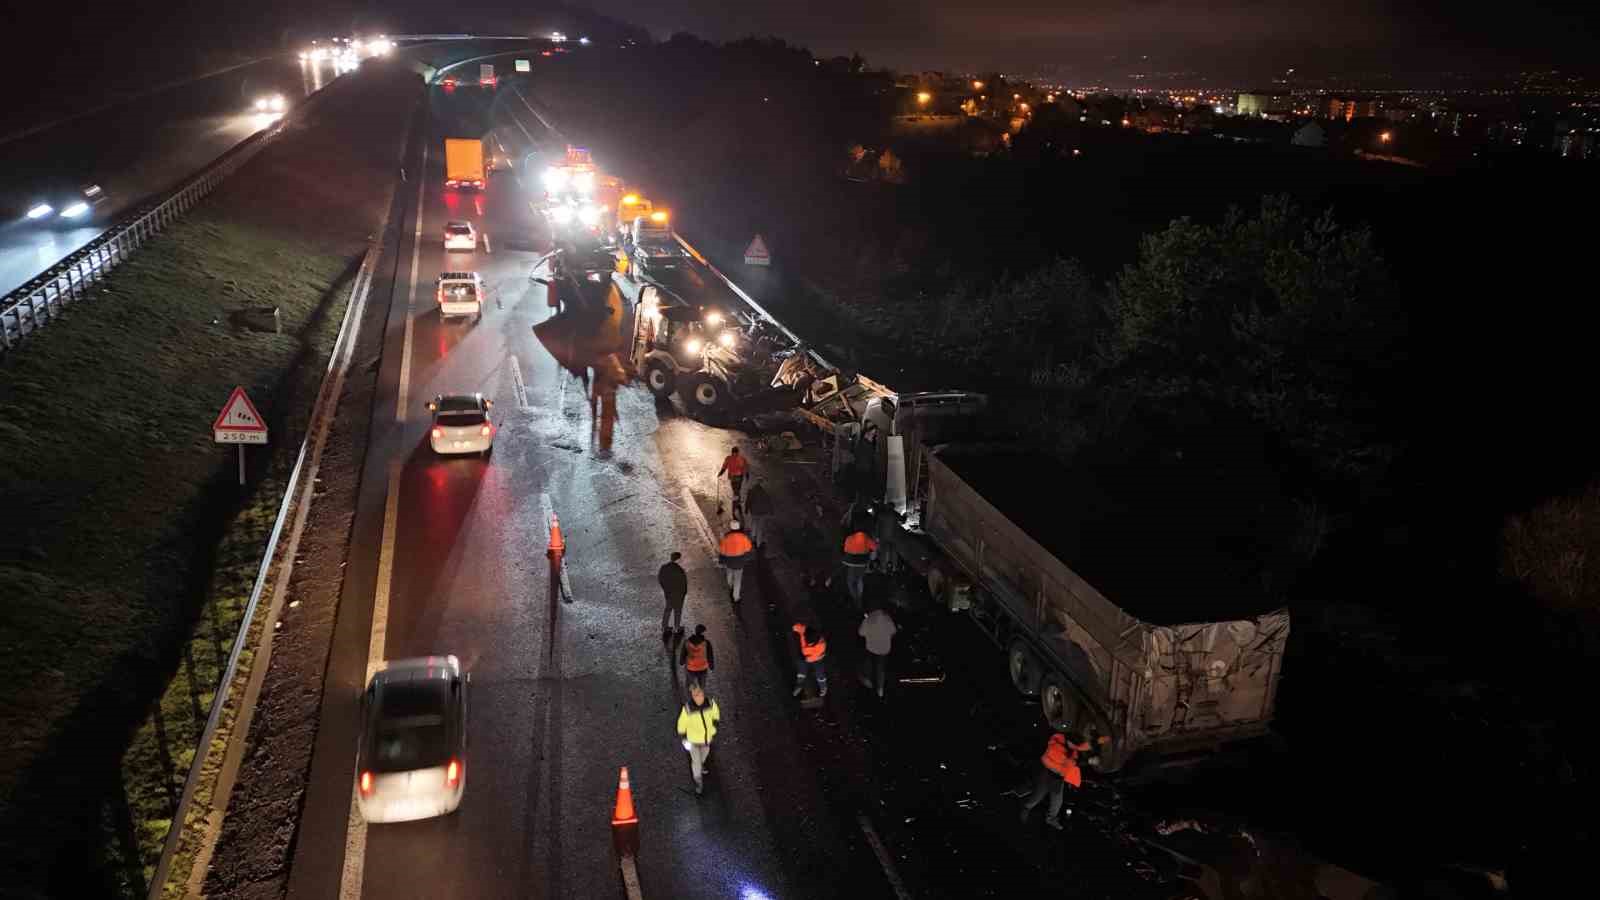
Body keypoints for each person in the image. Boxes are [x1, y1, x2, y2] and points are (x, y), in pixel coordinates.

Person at [1019, 732, 1087, 830]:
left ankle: (1051, 819)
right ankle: (1026, 808)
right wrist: (1082, 760)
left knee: (1057, 802)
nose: (1075, 746)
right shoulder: (1056, 743)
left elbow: (1072, 762)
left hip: (1058, 779)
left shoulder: (1073, 749)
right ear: (1068, 740)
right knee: (1038, 796)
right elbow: (1067, 761)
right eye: (1073, 743)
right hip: (1047, 774)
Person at [675, 682, 721, 796]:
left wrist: (714, 728)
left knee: (704, 755)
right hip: (693, 742)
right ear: (692, 696)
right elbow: (681, 724)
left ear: (703, 693)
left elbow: (716, 715)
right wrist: (684, 738)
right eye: (695, 695)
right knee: (696, 762)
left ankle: (701, 766)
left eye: (700, 693)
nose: (699, 697)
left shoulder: (710, 704)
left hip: (706, 740)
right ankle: (698, 783)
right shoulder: (688, 709)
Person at [858, 604, 898, 700]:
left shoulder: (868, 619)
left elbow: (861, 633)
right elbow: (893, 631)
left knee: (869, 662)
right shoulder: (887, 618)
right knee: (881, 668)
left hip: (871, 648)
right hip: (884, 648)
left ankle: (868, 681)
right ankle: (880, 690)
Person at [717, 521, 755, 603]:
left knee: (729, 574)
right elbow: (748, 549)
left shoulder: (726, 537)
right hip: (739, 561)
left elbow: (722, 551)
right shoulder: (743, 537)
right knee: (738, 580)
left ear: (731, 528)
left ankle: (730, 586)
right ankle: (736, 597)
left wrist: (721, 561)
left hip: (729, 561)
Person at [841, 527, 878, 606]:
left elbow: (846, 550)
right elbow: (875, 550)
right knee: (859, 579)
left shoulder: (849, 538)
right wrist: (871, 559)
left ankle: (855, 599)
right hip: (863, 562)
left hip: (851, 562)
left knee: (850, 582)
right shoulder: (867, 538)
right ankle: (859, 599)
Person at [791, 622, 828, 698]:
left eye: (810, 644)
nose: (807, 644)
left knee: (819, 673)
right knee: (801, 670)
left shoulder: (821, 645)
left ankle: (823, 687)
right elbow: (797, 627)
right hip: (804, 656)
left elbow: (815, 657)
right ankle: (799, 685)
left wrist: (806, 658)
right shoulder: (804, 631)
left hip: (817, 659)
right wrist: (794, 627)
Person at [658, 552, 688, 639]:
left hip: (668, 593)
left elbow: (660, 579)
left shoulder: (664, 567)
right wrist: (684, 593)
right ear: (678, 559)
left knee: (668, 609)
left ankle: (664, 627)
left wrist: (665, 589)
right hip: (678, 594)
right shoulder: (680, 570)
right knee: (677, 611)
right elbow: (683, 584)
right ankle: (677, 628)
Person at [678, 624, 715, 690]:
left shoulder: (687, 642)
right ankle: (700, 695)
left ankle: (691, 696)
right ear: (703, 633)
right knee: (702, 687)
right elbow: (710, 656)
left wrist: (682, 662)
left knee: (690, 685)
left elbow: (683, 655)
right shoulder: (707, 643)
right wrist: (711, 666)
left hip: (690, 668)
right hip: (702, 669)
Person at [743, 478, 774, 549]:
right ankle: (758, 543)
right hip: (762, 512)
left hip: (754, 511)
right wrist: (771, 511)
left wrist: (746, 509)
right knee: (760, 527)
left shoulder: (751, 491)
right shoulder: (765, 492)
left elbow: (748, 501)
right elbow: (768, 502)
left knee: (754, 522)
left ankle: (753, 536)